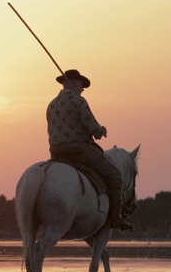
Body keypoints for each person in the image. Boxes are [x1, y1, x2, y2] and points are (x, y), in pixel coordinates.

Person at [46, 69, 134, 231]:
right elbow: (91, 126)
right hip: (79, 149)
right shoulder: (79, 101)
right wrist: (101, 130)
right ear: (73, 83)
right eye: (81, 84)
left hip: (56, 151)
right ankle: (115, 218)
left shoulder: (51, 104)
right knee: (114, 175)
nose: (83, 89)